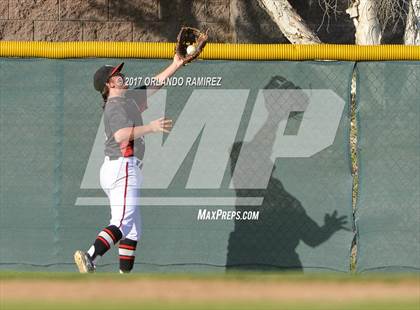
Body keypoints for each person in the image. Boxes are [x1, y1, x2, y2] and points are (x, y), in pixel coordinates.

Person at [74, 55, 185, 273]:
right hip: (123, 167)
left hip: (120, 168)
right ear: (108, 84)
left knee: (133, 231)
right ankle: (89, 256)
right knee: (123, 222)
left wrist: (177, 63)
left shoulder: (129, 98)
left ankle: (124, 279)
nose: (121, 76)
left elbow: (155, 83)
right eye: (116, 75)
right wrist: (151, 128)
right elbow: (121, 135)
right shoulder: (114, 106)